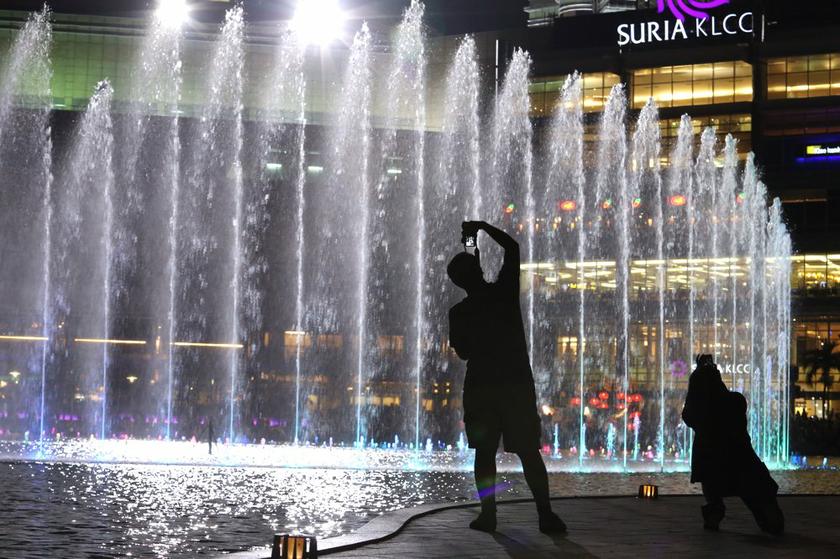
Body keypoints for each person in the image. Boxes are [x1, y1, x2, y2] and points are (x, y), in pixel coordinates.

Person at [447, 220, 566, 534]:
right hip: (515, 386)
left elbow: (463, 352)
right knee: (528, 451)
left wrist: (471, 243)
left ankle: (489, 514)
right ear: (478, 270)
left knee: (484, 454)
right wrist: (482, 228)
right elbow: (512, 248)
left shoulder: (459, 313)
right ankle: (545, 514)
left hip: (481, 388)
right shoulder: (503, 293)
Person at [682, 354, 784, 534]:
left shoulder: (700, 411)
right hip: (739, 457)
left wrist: (698, 379)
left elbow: (689, 414)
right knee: (754, 491)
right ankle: (769, 518)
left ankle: (715, 511)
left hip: (710, 459)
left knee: (712, 488)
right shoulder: (735, 401)